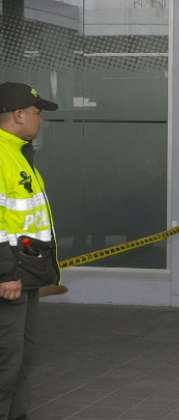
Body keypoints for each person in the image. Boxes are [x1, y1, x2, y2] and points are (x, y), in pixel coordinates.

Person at [0, 82, 60, 419]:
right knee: (6, 358)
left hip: (26, 275)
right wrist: (5, 273)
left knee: (21, 355)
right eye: (37, 113)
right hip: (10, 279)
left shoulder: (18, 152)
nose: (41, 120)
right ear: (18, 115)